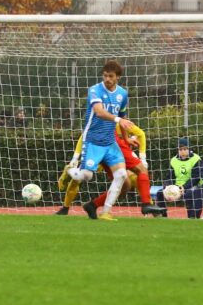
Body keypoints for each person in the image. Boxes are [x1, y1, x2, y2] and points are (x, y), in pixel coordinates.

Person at [67, 59, 133, 221]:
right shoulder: (95, 90)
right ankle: (70, 170)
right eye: (105, 76)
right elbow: (99, 112)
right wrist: (118, 120)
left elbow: (123, 118)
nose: (107, 79)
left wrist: (127, 139)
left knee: (122, 175)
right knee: (87, 176)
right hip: (93, 141)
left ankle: (106, 212)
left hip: (110, 143)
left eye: (110, 76)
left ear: (118, 77)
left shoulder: (122, 94)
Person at [56, 122, 166, 217]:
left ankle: (93, 206)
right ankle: (147, 204)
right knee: (140, 170)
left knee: (125, 185)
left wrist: (127, 139)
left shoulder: (117, 115)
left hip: (109, 146)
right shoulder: (103, 109)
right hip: (109, 144)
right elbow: (84, 135)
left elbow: (139, 133)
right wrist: (75, 157)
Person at [155, 137, 203, 217]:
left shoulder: (196, 159)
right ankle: (163, 217)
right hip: (176, 187)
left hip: (190, 186)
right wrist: (168, 187)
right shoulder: (174, 160)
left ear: (189, 149)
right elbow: (169, 176)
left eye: (185, 149)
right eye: (180, 149)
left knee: (190, 194)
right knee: (160, 193)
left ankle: (192, 218)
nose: (183, 151)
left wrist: (184, 187)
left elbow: (196, 178)